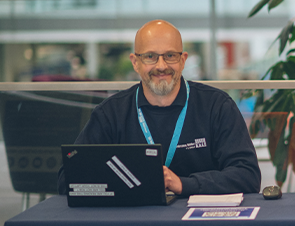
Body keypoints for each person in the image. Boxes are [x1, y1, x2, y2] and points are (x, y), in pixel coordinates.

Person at [58, 20, 260, 195]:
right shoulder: (111, 113)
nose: (161, 66)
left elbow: (248, 175)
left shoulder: (217, 106)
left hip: (198, 222)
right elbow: (68, 180)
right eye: (150, 56)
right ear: (135, 62)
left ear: (183, 60)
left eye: (170, 55)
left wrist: (183, 184)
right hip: (130, 221)